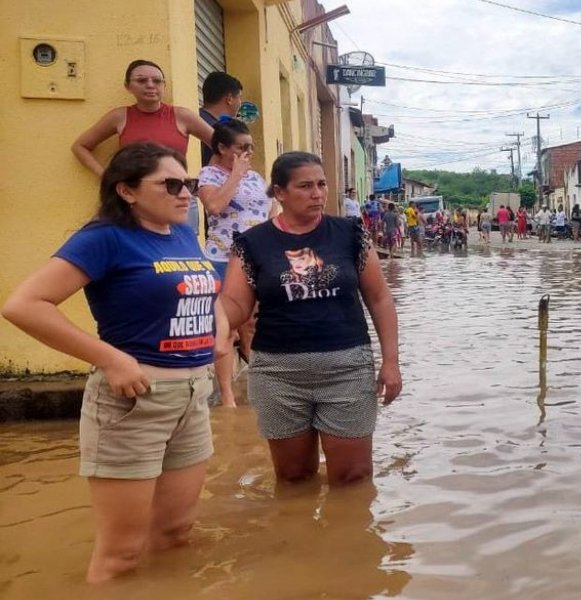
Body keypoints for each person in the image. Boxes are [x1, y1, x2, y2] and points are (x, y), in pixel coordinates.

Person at [2, 143, 225, 583]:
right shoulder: (103, 237)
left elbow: (204, 283)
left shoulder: (180, 230)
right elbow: (24, 305)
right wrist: (111, 359)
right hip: (133, 401)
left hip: (193, 396)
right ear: (126, 191)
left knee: (177, 534)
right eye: (171, 184)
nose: (186, 194)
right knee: (120, 555)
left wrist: (218, 328)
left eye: (190, 184)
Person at [219, 152, 401, 489]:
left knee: (353, 478)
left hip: (346, 369)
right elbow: (235, 304)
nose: (317, 193)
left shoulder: (350, 234)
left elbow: (380, 298)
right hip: (278, 374)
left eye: (321, 184)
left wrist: (391, 362)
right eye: (305, 186)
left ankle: (348, 540)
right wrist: (212, 319)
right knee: (293, 478)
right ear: (280, 193)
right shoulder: (252, 243)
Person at [72, 60, 213, 231]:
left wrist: (210, 180)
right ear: (128, 86)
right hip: (136, 200)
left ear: (164, 85)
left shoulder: (182, 116)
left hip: (177, 196)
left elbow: (222, 146)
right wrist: (107, 176)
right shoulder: (120, 117)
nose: (150, 85)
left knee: (182, 252)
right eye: (141, 80)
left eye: (157, 81)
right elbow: (80, 146)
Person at [197, 119, 272, 408]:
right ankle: (228, 397)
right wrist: (235, 175)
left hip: (255, 260)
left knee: (254, 324)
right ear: (221, 147)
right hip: (222, 259)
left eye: (250, 147)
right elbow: (214, 206)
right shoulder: (209, 175)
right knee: (225, 328)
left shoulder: (255, 177)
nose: (247, 153)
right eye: (241, 148)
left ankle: (261, 384)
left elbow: (269, 210)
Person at [198, 71, 243, 166]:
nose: (240, 103)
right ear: (229, 99)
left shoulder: (194, 120)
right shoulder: (221, 131)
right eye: (239, 97)